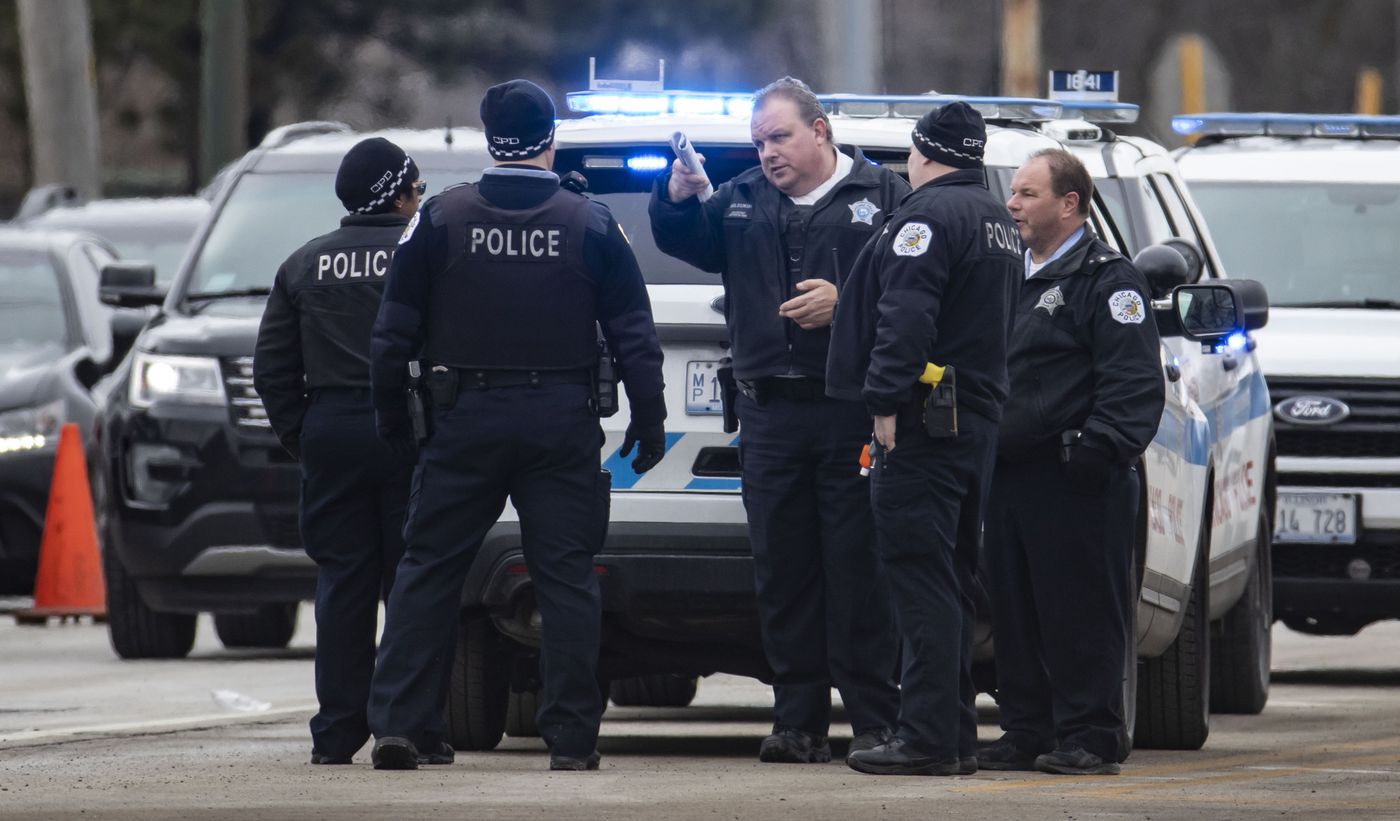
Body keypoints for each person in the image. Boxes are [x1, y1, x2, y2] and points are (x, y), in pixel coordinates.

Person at [365, 79, 667, 772]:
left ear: (487, 135)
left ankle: (403, 725)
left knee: (429, 570)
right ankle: (570, 738)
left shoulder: (438, 219)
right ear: (550, 138)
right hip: (560, 422)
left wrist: (394, 421)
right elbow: (634, 336)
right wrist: (647, 424)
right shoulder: (591, 223)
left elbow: (390, 337)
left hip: (462, 418)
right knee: (565, 580)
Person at [649, 76, 906, 764]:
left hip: (851, 410)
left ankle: (878, 718)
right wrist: (673, 199)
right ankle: (798, 721)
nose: (767, 153)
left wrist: (846, 301)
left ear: (819, 131)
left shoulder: (883, 198)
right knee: (785, 572)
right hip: (770, 416)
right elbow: (691, 242)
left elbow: (922, 291)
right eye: (759, 142)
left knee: (858, 570)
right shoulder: (742, 201)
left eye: (780, 137)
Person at [828, 102, 1023, 776]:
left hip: (924, 422)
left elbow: (906, 318)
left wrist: (883, 400)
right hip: (973, 417)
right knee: (951, 575)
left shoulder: (926, 217)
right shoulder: (995, 217)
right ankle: (955, 735)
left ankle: (929, 737)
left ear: (923, 152)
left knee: (921, 578)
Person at [980, 148, 1164, 776]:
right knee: (1017, 609)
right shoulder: (1008, 272)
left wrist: (1099, 448)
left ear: (1070, 204)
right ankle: (1028, 730)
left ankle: (1092, 735)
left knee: (1081, 612)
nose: (1013, 205)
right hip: (1008, 474)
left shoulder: (1107, 279)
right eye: (1013, 194)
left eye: (1027, 194)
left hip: (1076, 477)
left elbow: (1134, 381)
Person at [252, 137, 427, 766]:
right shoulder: (424, 258)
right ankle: (407, 728)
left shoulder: (303, 264)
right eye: (418, 188)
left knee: (343, 583)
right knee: (412, 582)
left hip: (330, 431)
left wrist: (303, 434)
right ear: (401, 193)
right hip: (410, 431)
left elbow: (271, 368)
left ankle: (335, 733)